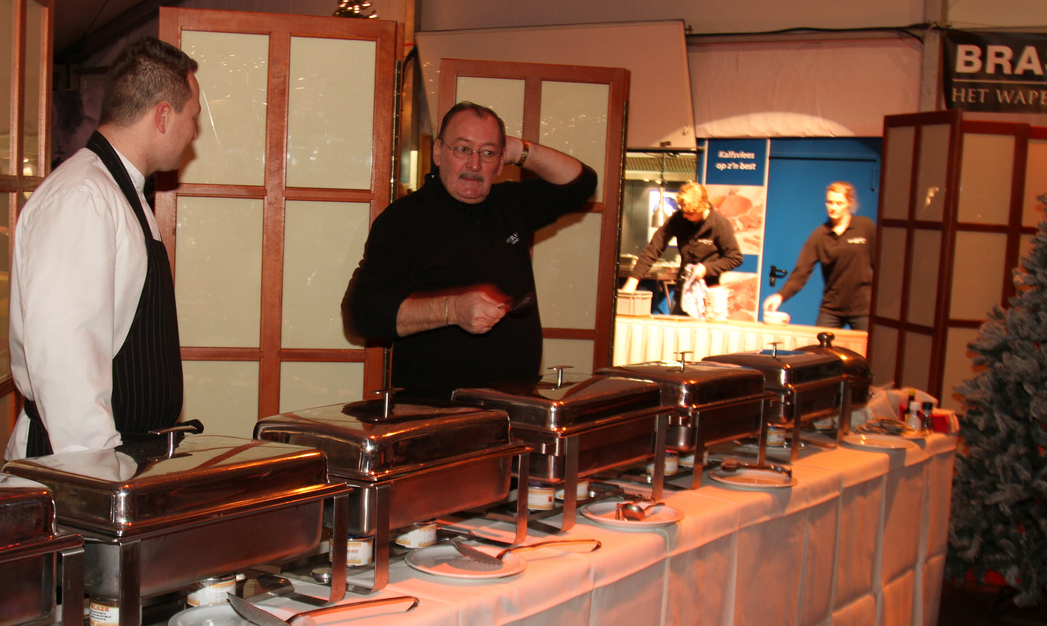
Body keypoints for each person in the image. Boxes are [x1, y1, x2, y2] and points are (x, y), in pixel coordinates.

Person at [5, 36, 201, 459]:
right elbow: (65, 360)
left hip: (131, 455)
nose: (194, 132)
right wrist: (96, 476)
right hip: (83, 464)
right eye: (193, 117)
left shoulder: (119, 190)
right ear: (163, 116)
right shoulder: (82, 197)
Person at [342, 101, 598, 400]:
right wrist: (452, 310)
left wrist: (516, 149)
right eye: (462, 149)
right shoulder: (404, 219)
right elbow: (360, 313)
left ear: (500, 163)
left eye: (487, 154)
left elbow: (582, 184)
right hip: (435, 409)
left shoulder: (510, 204)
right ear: (438, 152)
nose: (474, 165)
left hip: (517, 403)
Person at [762, 181, 875, 331]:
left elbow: (879, 264)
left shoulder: (865, 226)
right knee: (819, 345)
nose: (833, 207)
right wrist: (780, 296)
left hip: (862, 307)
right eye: (830, 202)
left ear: (849, 203)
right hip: (832, 307)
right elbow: (801, 273)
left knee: (871, 345)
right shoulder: (820, 235)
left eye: (839, 203)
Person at [620, 182, 743, 313]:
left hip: (708, 295)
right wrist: (633, 280)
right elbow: (654, 248)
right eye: (683, 211)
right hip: (682, 293)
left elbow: (734, 258)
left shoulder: (720, 224)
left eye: (689, 213)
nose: (684, 216)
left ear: (702, 207)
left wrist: (707, 268)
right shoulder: (679, 219)